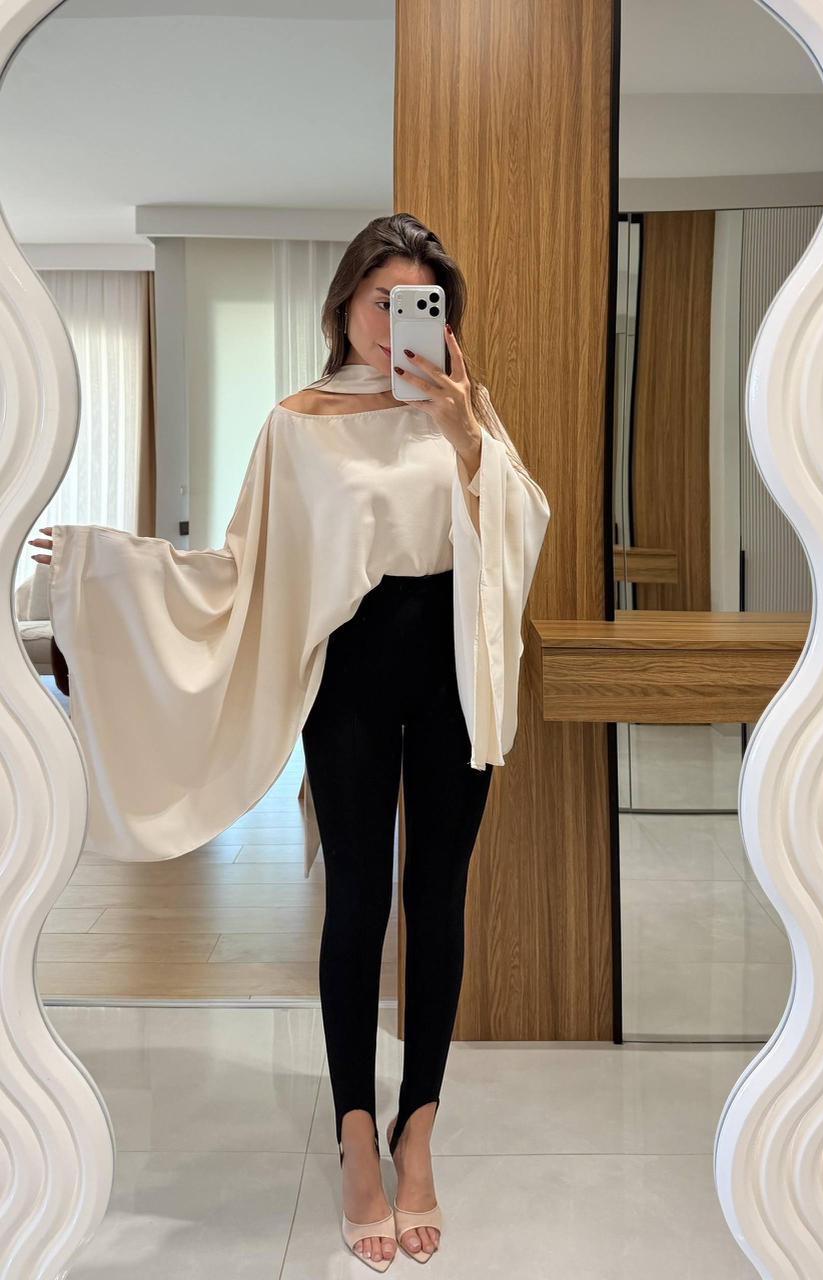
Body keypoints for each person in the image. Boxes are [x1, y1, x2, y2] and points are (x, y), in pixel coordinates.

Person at [30, 212, 550, 1271]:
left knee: (439, 895)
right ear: (345, 302)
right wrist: (106, 565)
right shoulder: (297, 424)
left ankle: (418, 1128)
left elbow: (517, 532)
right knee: (356, 896)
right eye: (381, 300)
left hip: (454, 667)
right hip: (349, 672)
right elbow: (245, 567)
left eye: (419, 304)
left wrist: (463, 434)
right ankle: (356, 1131)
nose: (394, 322)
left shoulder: (467, 410)